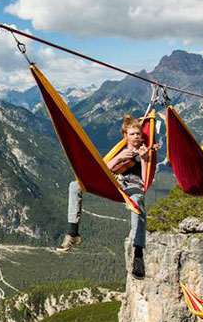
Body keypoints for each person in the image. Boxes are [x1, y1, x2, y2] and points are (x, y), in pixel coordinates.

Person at [59, 115, 151, 280]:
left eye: (138, 133)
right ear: (126, 136)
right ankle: (73, 232)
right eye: (132, 134)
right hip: (115, 183)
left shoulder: (146, 151)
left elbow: (145, 181)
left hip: (133, 187)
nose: (137, 136)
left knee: (138, 203)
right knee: (75, 185)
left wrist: (144, 160)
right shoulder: (120, 151)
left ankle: (138, 254)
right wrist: (119, 158)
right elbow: (102, 170)